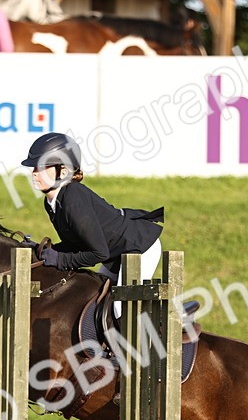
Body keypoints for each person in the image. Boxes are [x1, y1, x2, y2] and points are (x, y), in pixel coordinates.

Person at [23, 132, 165, 313]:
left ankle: (152, 335)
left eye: (42, 167)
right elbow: (77, 242)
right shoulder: (52, 202)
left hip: (139, 247)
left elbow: (98, 253)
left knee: (120, 309)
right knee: (95, 297)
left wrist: (60, 259)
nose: (35, 173)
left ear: (63, 171)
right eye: (34, 167)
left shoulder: (73, 199)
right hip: (115, 252)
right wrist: (43, 251)